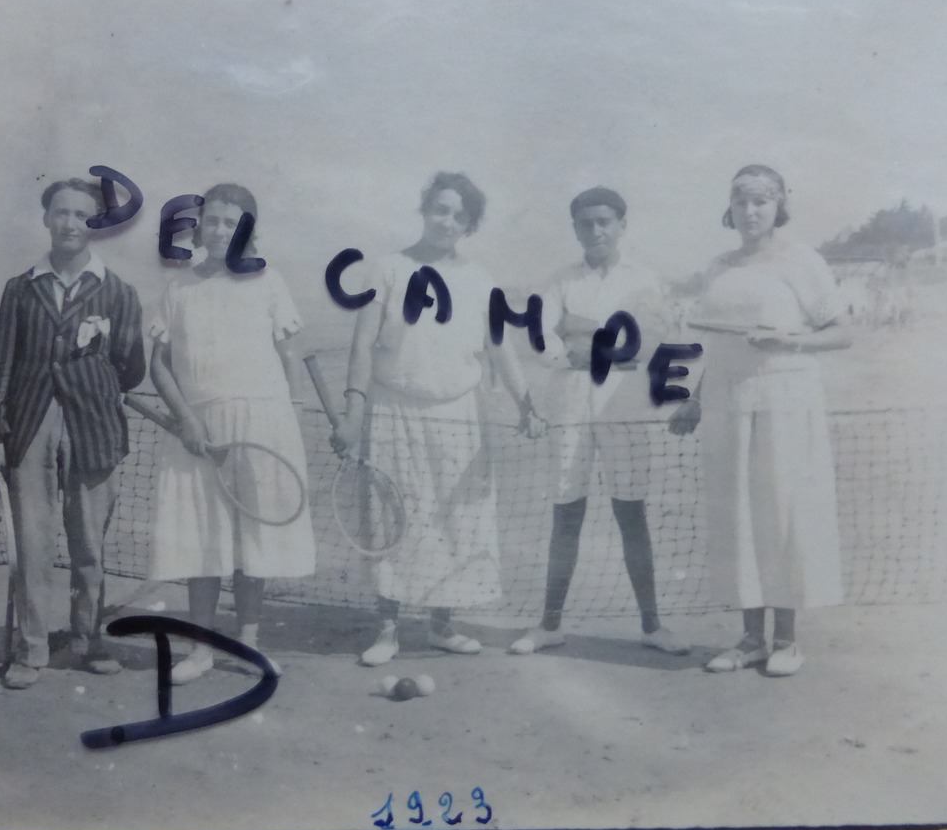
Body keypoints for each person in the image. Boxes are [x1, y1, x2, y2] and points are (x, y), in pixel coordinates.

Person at [333, 172, 545, 666]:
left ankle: (441, 626)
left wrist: (526, 405)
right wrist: (352, 412)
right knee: (393, 516)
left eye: (458, 215)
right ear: (425, 210)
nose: (446, 221)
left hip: (460, 415)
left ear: (469, 224)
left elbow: (501, 349)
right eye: (440, 210)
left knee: (455, 518)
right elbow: (363, 344)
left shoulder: (479, 280)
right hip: (393, 412)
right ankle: (387, 630)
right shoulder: (387, 269)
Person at [669, 165, 850, 677]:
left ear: (778, 207)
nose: (751, 211)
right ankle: (750, 638)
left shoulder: (802, 261)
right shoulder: (717, 267)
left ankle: (787, 641)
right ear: (730, 207)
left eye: (761, 201)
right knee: (739, 518)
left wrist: (787, 341)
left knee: (782, 513)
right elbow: (715, 346)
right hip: (729, 402)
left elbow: (842, 332)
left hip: (786, 401)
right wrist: (693, 400)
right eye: (742, 201)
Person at [509, 187, 689, 657]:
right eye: (586, 223)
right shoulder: (559, 281)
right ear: (575, 229)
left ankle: (652, 626)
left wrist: (589, 340)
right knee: (566, 513)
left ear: (622, 224)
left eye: (605, 221)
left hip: (624, 405)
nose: (596, 231)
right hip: (570, 404)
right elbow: (540, 338)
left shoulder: (645, 280)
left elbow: (655, 341)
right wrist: (579, 346)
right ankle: (549, 625)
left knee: (631, 512)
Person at [146, 184, 316, 684]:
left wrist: (287, 421)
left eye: (231, 221)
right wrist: (187, 420)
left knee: (253, 539)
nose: (221, 230)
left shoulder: (269, 282)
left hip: (263, 425)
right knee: (202, 540)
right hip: (199, 428)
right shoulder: (177, 289)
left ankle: (249, 645)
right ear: (198, 227)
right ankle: (199, 650)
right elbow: (160, 366)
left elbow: (290, 358)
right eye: (212, 221)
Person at [0, 177, 147, 689]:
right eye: (61, 213)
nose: (71, 223)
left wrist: (91, 387)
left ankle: (88, 640)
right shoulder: (20, 289)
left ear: (95, 223)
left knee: (89, 545)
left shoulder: (119, 292)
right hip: (29, 425)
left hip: (93, 426)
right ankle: (30, 651)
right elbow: (2, 367)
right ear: (46, 220)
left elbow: (130, 366)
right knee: (31, 544)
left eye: (82, 214)